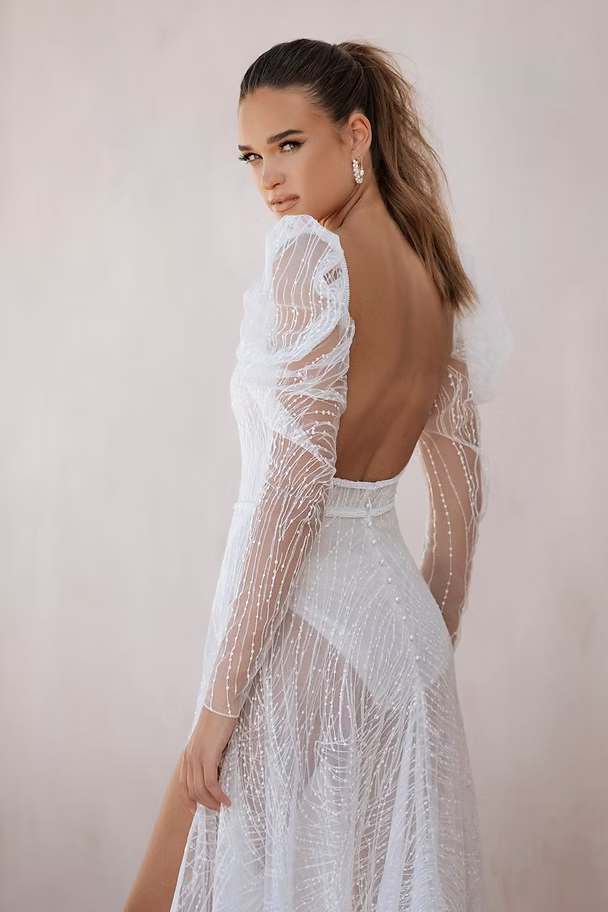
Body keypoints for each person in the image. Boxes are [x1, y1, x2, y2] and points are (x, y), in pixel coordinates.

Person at [123, 37, 511, 912]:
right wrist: (416, 651)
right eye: (252, 156)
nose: (268, 179)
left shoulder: (311, 258)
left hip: (300, 633)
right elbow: (461, 507)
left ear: (356, 135)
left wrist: (219, 710)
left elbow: (293, 497)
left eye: (289, 145)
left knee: (181, 888)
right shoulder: (438, 278)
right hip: (402, 650)